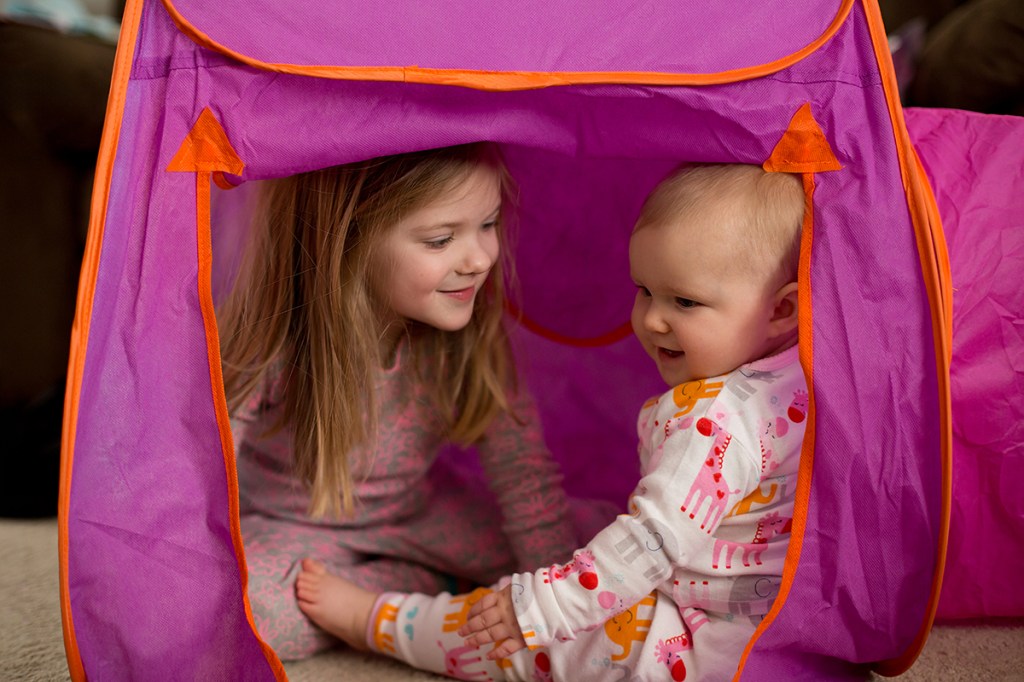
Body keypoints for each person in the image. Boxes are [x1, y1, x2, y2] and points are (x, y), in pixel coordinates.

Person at [293, 163, 810, 681]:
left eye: (685, 302)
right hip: (764, 627)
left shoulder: (713, 422)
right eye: (645, 291)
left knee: (498, 632)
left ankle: (376, 620)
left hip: (697, 647)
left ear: (782, 310)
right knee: (586, 531)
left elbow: (652, 540)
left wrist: (539, 609)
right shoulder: (799, 379)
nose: (652, 319)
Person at [218, 143, 601, 660]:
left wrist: (558, 604)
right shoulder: (271, 338)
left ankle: (401, 592)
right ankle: (400, 600)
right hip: (293, 531)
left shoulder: (471, 334)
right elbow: (202, 473)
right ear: (349, 239)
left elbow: (523, 473)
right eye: (441, 239)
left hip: (421, 518)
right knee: (248, 615)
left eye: (488, 224)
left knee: (593, 546)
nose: (479, 259)